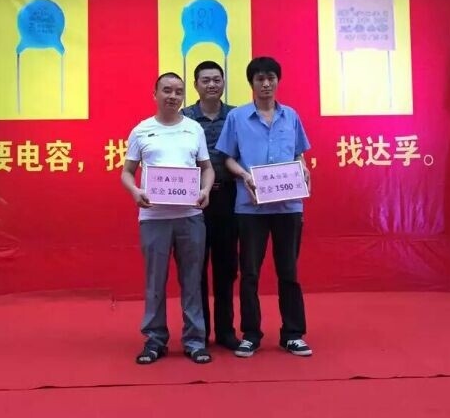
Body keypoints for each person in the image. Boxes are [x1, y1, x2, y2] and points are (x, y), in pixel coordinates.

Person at [216, 56, 313, 357]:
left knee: (289, 271)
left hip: (288, 206)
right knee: (250, 273)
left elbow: (298, 153)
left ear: (278, 81)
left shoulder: (291, 116)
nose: (266, 83)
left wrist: (303, 167)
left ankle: (292, 334)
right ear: (251, 83)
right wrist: (244, 175)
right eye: (260, 79)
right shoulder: (237, 118)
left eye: (271, 78)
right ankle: (251, 334)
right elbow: (227, 157)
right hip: (251, 207)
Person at [122, 72, 216, 364]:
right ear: (155, 94)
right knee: (155, 281)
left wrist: (205, 190)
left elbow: (207, 168)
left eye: (178, 91)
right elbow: (127, 172)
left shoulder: (193, 129)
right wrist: (135, 191)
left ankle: (195, 340)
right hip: (154, 217)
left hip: (190, 216)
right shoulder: (141, 130)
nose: (173, 96)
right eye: (167, 90)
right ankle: (154, 340)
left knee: (192, 280)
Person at [181, 60, 240, 351]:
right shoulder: (184, 118)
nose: (212, 85)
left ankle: (226, 330)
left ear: (223, 83)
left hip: (229, 198)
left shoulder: (236, 116)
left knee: (227, 267)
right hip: (194, 200)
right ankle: (199, 332)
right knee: (196, 267)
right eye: (205, 80)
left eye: (217, 79)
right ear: (196, 85)